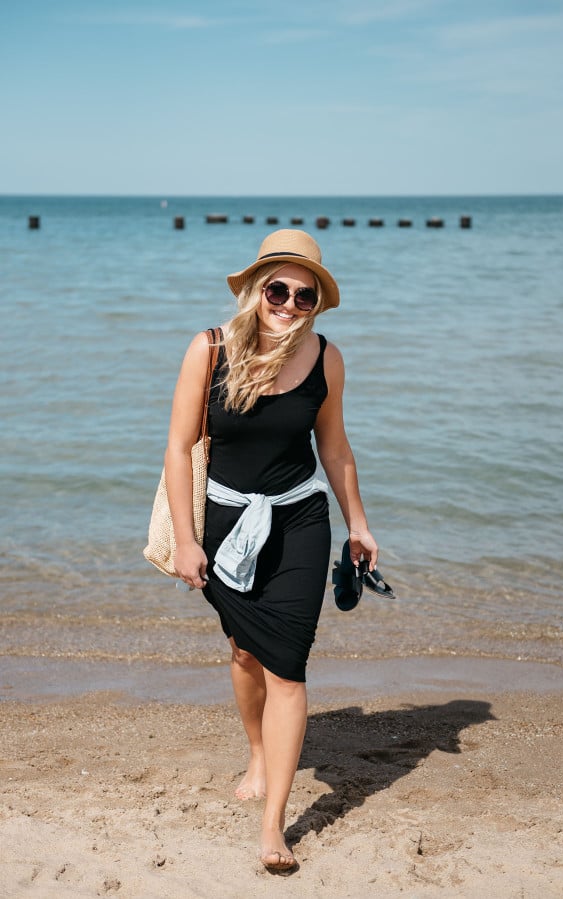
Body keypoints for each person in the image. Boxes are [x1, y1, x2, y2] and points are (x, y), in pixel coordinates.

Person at [163, 229, 378, 873]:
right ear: (257, 288)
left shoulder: (326, 359)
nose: (287, 302)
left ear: (316, 302)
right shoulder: (209, 349)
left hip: (300, 523)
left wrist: (359, 524)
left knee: (287, 667)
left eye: (302, 295)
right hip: (228, 523)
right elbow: (178, 448)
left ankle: (273, 825)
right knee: (244, 649)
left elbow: (334, 450)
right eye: (277, 289)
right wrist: (183, 538)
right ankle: (257, 750)